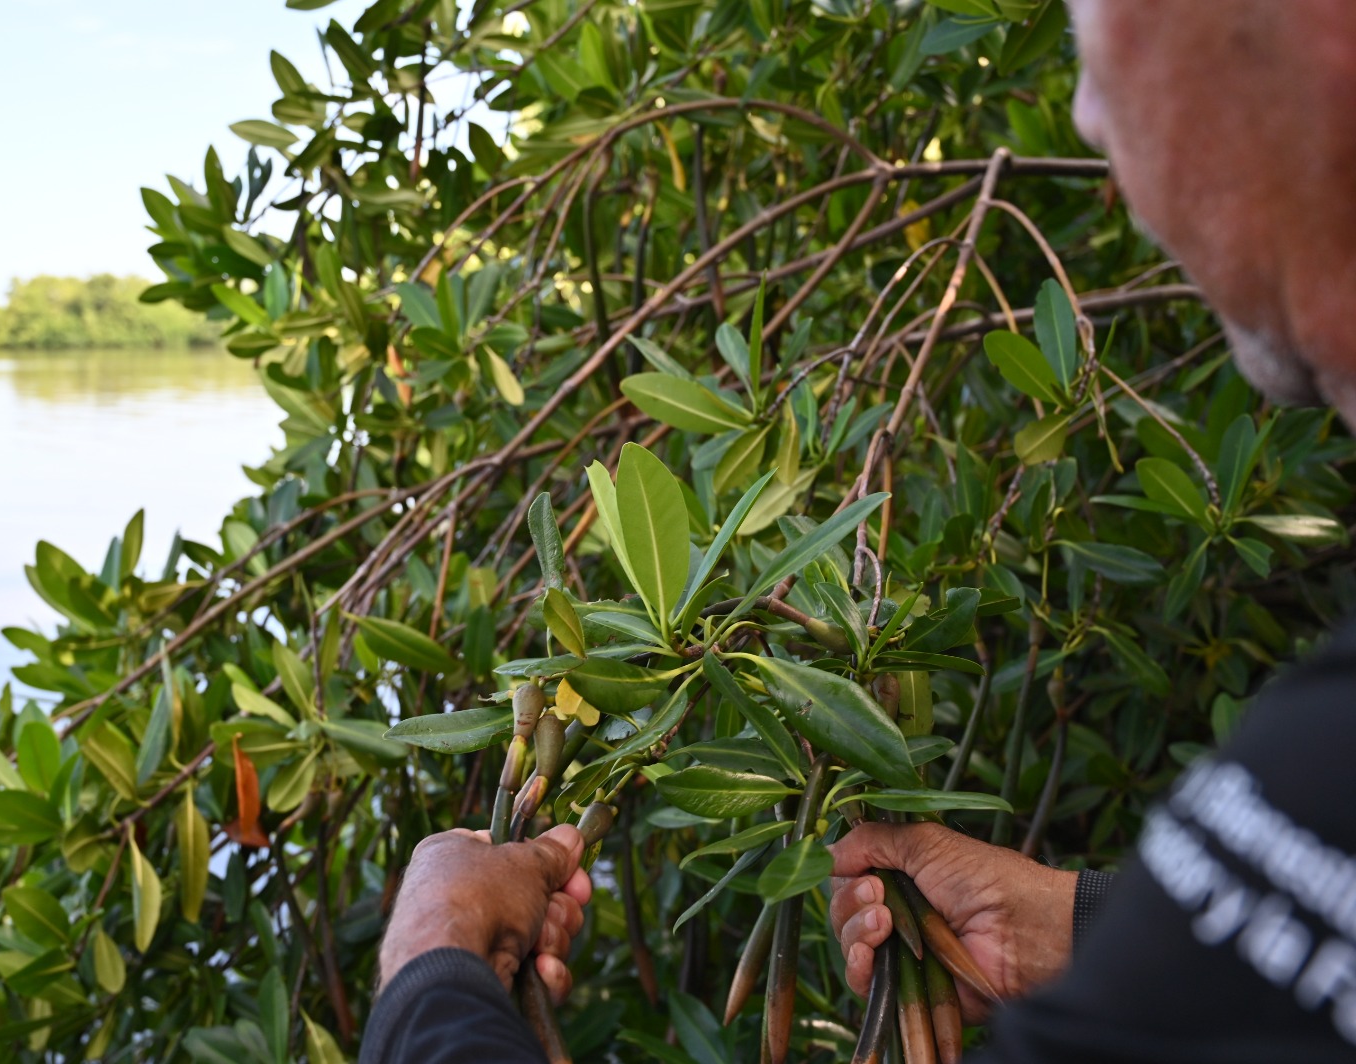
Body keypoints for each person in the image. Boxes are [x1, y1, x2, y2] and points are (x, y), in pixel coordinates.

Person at [363, 1, 1356, 1059]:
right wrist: (1082, 926)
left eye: (1099, 28)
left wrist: (431, 961)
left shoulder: (1326, 759)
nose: (1083, 113)